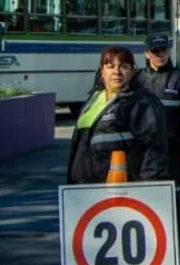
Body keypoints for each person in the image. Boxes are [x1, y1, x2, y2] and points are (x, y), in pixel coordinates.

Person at [140, 33, 180, 263]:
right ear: (147, 53)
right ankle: (150, 248)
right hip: (145, 151)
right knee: (145, 199)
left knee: (177, 198)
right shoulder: (138, 80)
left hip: (175, 149)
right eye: (156, 51)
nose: (161, 55)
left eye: (164, 50)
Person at [68, 46, 169, 186]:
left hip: (123, 189)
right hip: (87, 189)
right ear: (102, 71)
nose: (117, 72)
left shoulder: (142, 103)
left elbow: (154, 150)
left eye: (124, 67)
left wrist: (149, 188)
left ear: (132, 72)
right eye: (110, 66)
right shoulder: (94, 99)